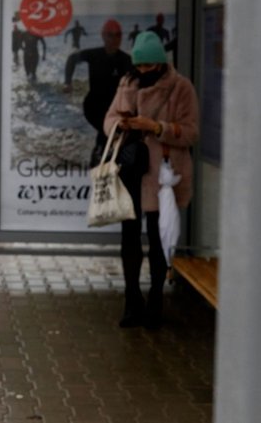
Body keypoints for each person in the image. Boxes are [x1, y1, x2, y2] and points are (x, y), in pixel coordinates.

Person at [104, 32, 199, 330]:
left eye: (149, 66)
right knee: (129, 236)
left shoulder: (181, 87)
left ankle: (156, 297)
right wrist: (120, 125)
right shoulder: (127, 82)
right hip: (131, 168)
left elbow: (191, 131)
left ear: (160, 62)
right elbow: (108, 119)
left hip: (162, 174)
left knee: (159, 237)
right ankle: (132, 300)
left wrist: (157, 127)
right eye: (139, 65)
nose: (143, 71)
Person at [62, 18, 133, 161]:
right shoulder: (94, 55)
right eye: (110, 35)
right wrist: (67, 82)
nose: (115, 39)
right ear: (103, 36)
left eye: (118, 35)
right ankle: (100, 159)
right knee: (106, 131)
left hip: (114, 109)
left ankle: (101, 159)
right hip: (93, 106)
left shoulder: (126, 60)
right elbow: (71, 59)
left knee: (109, 134)